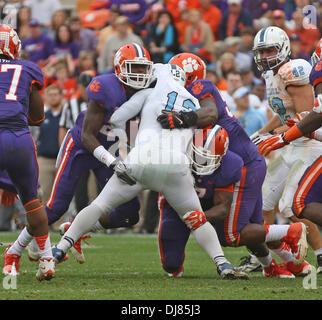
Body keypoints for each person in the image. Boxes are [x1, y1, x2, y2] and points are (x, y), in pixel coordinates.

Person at [53, 63, 245, 280]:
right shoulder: (192, 101)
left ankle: (60, 249)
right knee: (196, 218)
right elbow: (204, 123)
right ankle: (222, 263)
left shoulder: (149, 91)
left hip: (141, 160)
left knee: (99, 205)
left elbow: (116, 119)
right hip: (175, 166)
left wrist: (139, 122)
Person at [155, 52, 310, 275]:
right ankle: (286, 266)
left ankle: (291, 231)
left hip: (241, 164)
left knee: (231, 234)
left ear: (187, 75)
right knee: (254, 227)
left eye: (175, 74)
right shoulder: (184, 94)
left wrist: (182, 118)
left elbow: (209, 113)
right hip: (241, 160)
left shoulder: (200, 86)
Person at [27, 44, 151, 264]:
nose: (140, 74)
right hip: (85, 147)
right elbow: (87, 136)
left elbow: (134, 134)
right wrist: (113, 162)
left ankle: (74, 228)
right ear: (121, 68)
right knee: (56, 207)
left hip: (111, 149)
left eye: (143, 69)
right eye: (135, 68)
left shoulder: (147, 94)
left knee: (130, 213)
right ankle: (21, 245)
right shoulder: (106, 87)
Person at [159, 124, 309, 279]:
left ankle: (290, 234)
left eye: (207, 158)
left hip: (245, 176)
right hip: (178, 205)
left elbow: (222, 207)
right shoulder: (176, 156)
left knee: (232, 234)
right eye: (198, 156)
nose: (201, 162)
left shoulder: (230, 165)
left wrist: (202, 216)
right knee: (171, 263)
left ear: (222, 156)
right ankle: (279, 264)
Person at [250, 26, 322, 270]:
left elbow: (305, 116)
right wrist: (260, 133)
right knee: (265, 202)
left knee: (290, 205)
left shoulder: (294, 69)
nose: (264, 57)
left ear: (283, 48)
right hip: (292, 145)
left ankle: (320, 254)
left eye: (269, 50)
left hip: (309, 144)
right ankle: (265, 258)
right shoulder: (272, 75)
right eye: (260, 52)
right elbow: (283, 113)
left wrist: (274, 135)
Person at [0, 24, 55, 281]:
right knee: (32, 201)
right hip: (19, 138)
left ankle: (25, 254)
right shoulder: (27, 69)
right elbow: (38, 116)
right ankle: (46, 260)